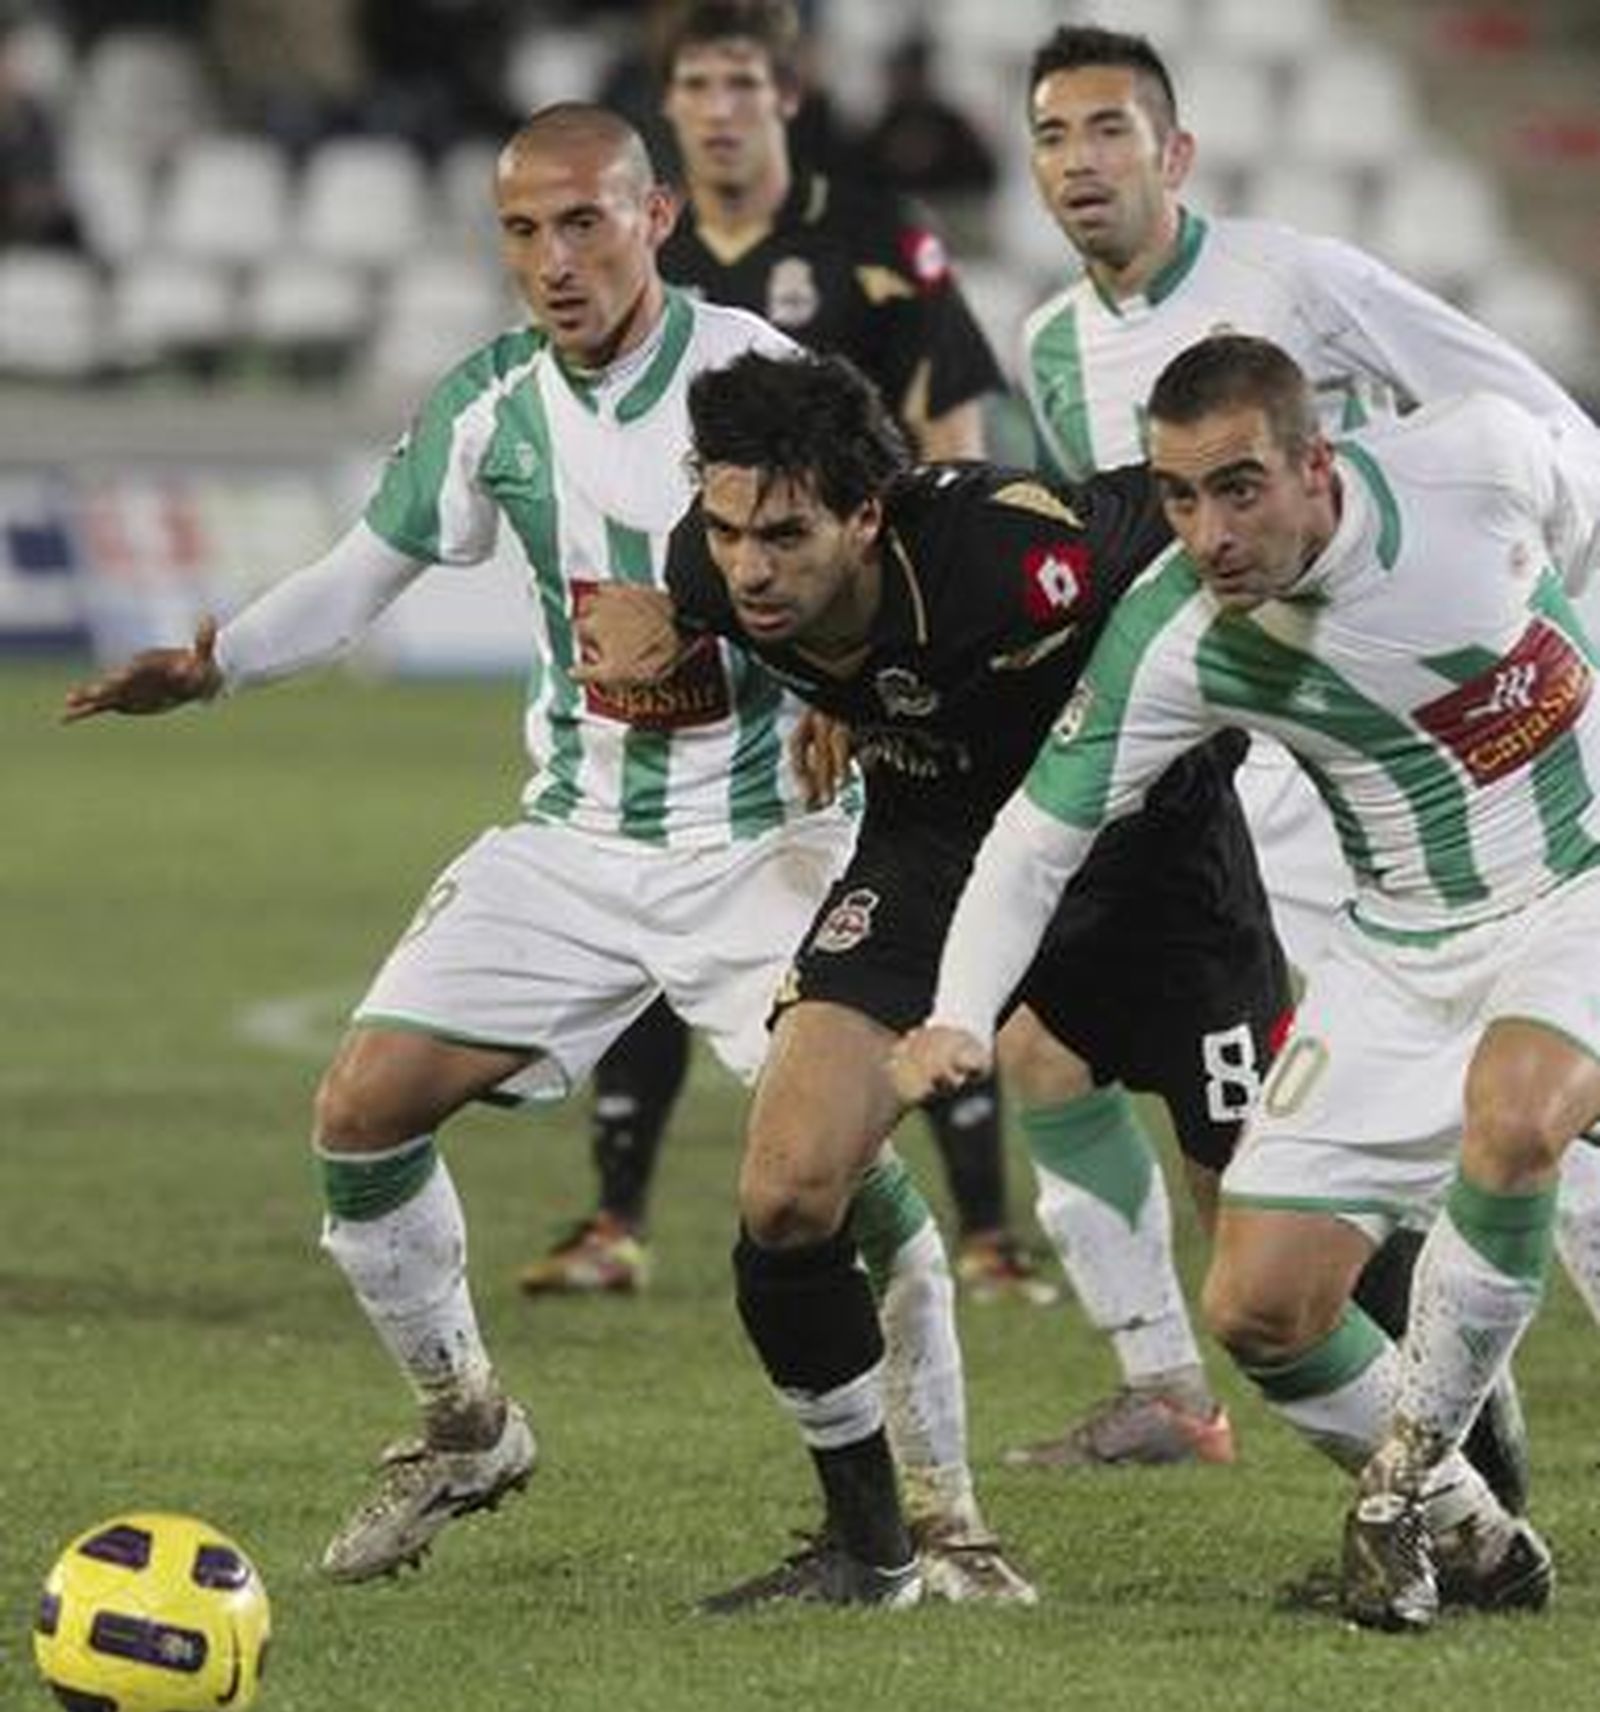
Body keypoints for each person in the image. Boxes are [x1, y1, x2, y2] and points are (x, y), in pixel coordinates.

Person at [60, 105, 1024, 1604]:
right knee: (361, 1111)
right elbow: (358, 572)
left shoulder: (748, 380)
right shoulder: (491, 403)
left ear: (651, 219)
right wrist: (215, 664)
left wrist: (851, 685)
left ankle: (943, 1515)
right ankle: (466, 1419)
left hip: (759, 840)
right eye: (522, 231)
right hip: (573, 841)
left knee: (838, 1172)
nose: (554, 261)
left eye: (583, 223)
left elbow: (877, 540)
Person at [896, 332, 1600, 1629]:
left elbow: (1577, 492)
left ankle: (1395, 1483)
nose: (1208, 531)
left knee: (1514, 1114)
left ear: (1315, 463)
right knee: (1261, 1302)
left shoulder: (1474, 457)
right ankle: (1478, 1534)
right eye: (1176, 494)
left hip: (1582, 882)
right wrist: (954, 1008)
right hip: (1398, 944)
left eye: (1238, 487)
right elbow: (1037, 836)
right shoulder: (1176, 636)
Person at [572, 348, 1290, 1606]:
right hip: (931, 852)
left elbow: (1176, 520)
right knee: (790, 1185)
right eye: (727, 528)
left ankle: (1461, 1502)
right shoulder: (714, 568)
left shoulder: (1014, 552)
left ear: (868, 513)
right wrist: (672, 646)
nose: (746, 565)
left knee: (1283, 1258)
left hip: (1147, 859)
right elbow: (690, 616)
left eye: (784, 535)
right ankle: (870, 1548)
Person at [998, 20, 1600, 1480]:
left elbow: (1529, 413)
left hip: (1425, 769)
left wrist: (1538, 614)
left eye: (1109, 132)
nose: (1081, 164)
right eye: (1055, 138)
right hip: (1253, 782)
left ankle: (1441, 1458)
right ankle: (1456, 1468)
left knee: (1541, 1131)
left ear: (1174, 150)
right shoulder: (1051, 342)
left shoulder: (1294, 278)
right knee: (1320, 1147)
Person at [522, 0, 1046, 1305]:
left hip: (862, 623)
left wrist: (867, 643)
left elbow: (949, 435)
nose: (717, 108)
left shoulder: (875, 235)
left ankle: (982, 1226)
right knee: (645, 871)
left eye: (740, 83)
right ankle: (615, 1213)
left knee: (905, 903)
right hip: (721, 626)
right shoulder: (649, 245)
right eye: (694, 86)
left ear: (787, 95)